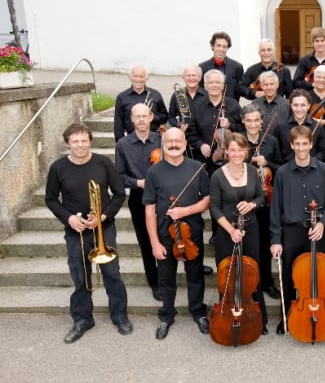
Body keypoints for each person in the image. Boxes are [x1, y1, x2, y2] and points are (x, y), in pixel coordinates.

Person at [45, 123, 131, 343]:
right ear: (68, 144)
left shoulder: (103, 163)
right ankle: (83, 319)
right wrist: (70, 218)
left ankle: (120, 316)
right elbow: (51, 199)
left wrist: (103, 217)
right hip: (76, 231)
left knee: (112, 274)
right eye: (75, 141)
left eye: (84, 141)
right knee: (80, 275)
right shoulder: (58, 168)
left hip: (103, 228)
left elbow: (119, 194)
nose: (80, 145)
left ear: (90, 141)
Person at [270, 125, 325, 334]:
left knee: (321, 275)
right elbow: (276, 208)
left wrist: (322, 222)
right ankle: (288, 316)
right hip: (292, 231)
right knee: (290, 277)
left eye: (305, 144)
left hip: (317, 230)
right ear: (291, 145)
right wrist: (276, 239)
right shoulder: (282, 172)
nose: (301, 148)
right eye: (297, 144)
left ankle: (323, 313)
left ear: (311, 144)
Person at [144, 127, 210, 340]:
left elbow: (208, 199)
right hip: (165, 235)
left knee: (196, 276)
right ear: (163, 145)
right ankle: (166, 315)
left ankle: (198, 312)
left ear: (184, 143)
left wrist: (186, 211)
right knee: (166, 279)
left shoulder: (197, 168)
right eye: (169, 141)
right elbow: (149, 210)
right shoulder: (154, 172)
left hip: (192, 234)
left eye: (177, 140)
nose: (173, 144)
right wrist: (154, 242)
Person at [209, 133, 268, 334]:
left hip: (251, 229)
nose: (236, 154)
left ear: (246, 152)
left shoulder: (252, 171)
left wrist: (252, 204)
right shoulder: (217, 175)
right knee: (227, 275)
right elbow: (214, 207)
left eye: (240, 150)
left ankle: (257, 318)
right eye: (232, 150)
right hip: (227, 231)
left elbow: (261, 197)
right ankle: (225, 317)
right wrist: (231, 230)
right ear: (226, 151)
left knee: (253, 274)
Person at [115, 103, 162, 301]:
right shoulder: (123, 145)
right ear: (132, 120)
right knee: (145, 240)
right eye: (138, 116)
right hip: (138, 197)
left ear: (151, 117)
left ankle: (167, 276)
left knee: (166, 237)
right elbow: (119, 177)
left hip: (162, 197)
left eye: (145, 116)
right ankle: (154, 282)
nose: (141, 120)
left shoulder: (162, 140)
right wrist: (138, 182)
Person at [240, 103, 283, 299]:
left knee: (265, 243)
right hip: (244, 201)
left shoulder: (271, 141)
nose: (252, 124)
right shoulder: (238, 141)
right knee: (248, 246)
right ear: (243, 121)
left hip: (266, 199)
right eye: (248, 120)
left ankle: (266, 282)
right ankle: (250, 283)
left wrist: (268, 163)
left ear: (261, 121)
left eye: (256, 120)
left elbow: (281, 167)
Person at [186, 69, 242, 176]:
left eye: (217, 82)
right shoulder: (197, 106)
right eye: (211, 83)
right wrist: (201, 145)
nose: (214, 85)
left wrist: (230, 125)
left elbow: (243, 128)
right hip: (204, 159)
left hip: (230, 158)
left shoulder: (233, 105)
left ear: (223, 86)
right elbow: (190, 132)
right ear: (205, 86)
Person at [113, 66, 167, 141]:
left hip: (153, 141)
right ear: (130, 77)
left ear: (146, 78)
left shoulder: (155, 95)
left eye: (141, 76)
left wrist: (153, 116)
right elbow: (118, 123)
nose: (138, 79)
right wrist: (121, 142)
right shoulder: (122, 97)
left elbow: (165, 117)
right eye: (135, 76)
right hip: (131, 140)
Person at [275, 89, 325, 162]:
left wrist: (310, 162)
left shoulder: (317, 127)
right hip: (287, 170)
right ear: (291, 105)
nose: (299, 109)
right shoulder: (281, 127)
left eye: (303, 105)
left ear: (308, 106)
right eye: (295, 105)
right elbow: (277, 153)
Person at [293, 27, 325, 97]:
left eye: (322, 41)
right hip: (309, 97)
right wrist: (312, 84)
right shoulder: (304, 60)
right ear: (313, 43)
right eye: (317, 41)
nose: (320, 44)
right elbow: (296, 82)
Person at [198, 31, 244, 100]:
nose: (221, 49)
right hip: (209, 108)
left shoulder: (237, 67)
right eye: (218, 45)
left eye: (224, 46)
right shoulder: (202, 67)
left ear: (227, 48)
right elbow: (200, 90)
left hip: (231, 108)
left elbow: (240, 89)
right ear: (212, 46)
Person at [167, 65, 206, 131]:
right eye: (188, 75)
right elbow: (171, 117)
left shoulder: (207, 95)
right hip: (184, 133)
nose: (191, 78)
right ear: (183, 78)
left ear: (200, 78)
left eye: (194, 75)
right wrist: (178, 125)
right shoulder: (176, 95)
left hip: (204, 134)